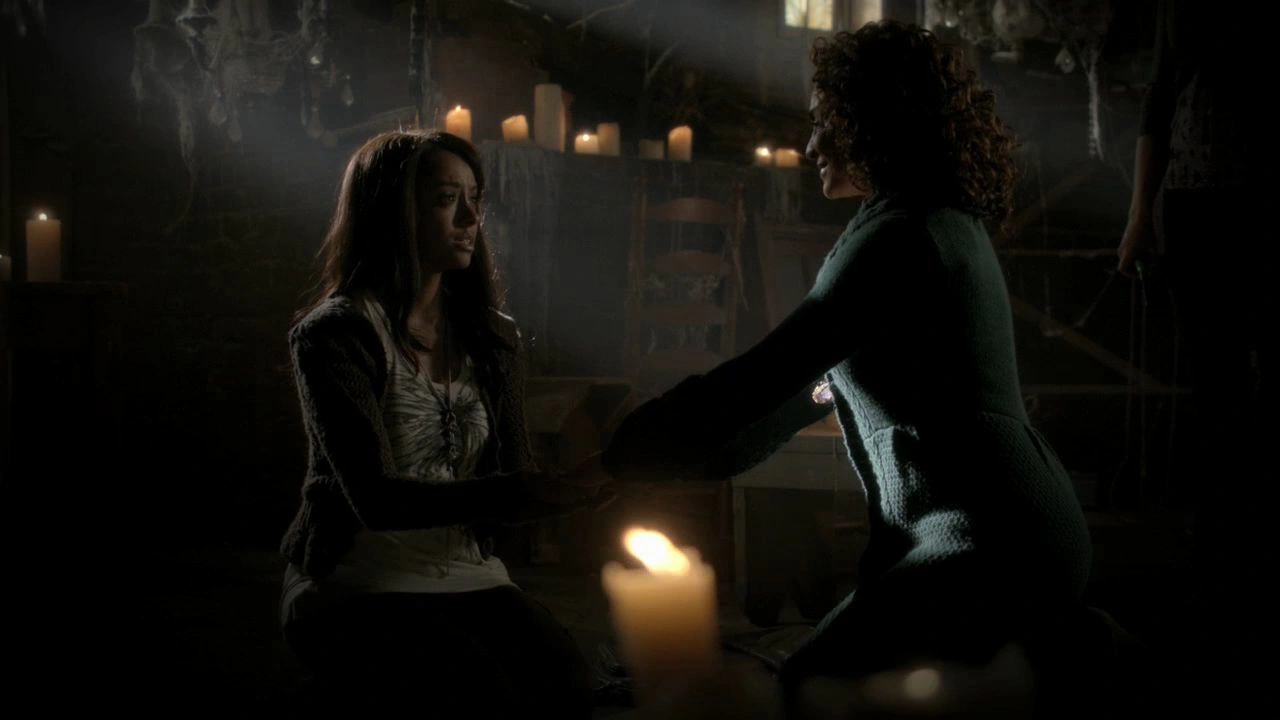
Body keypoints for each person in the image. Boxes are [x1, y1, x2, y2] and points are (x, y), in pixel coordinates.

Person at [603, 20, 1139, 716]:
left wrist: (624, 451)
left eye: (825, 122)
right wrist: (648, 467)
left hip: (989, 541)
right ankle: (1069, 653)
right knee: (831, 684)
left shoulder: (902, 238)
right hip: (993, 532)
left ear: (875, 123)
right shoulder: (921, 221)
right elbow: (795, 397)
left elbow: (762, 378)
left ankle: (1078, 656)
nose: (812, 144)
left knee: (817, 690)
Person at [278, 130, 611, 715]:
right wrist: (523, 488)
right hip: (358, 577)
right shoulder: (336, 334)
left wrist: (589, 484)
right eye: (445, 200)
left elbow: (515, 478)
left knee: (568, 691)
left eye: (474, 199)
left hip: (467, 573)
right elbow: (376, 501)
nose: (470, 219)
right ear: (393, 212)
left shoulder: (494, 337)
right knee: (482, 695)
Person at [1117, 0, 1267, 711]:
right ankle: (1219, 575)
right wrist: (1140, 215)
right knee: (1217, 397)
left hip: (1252, 202)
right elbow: (1161, 96)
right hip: (1197, 204)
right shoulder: (1182, 5)